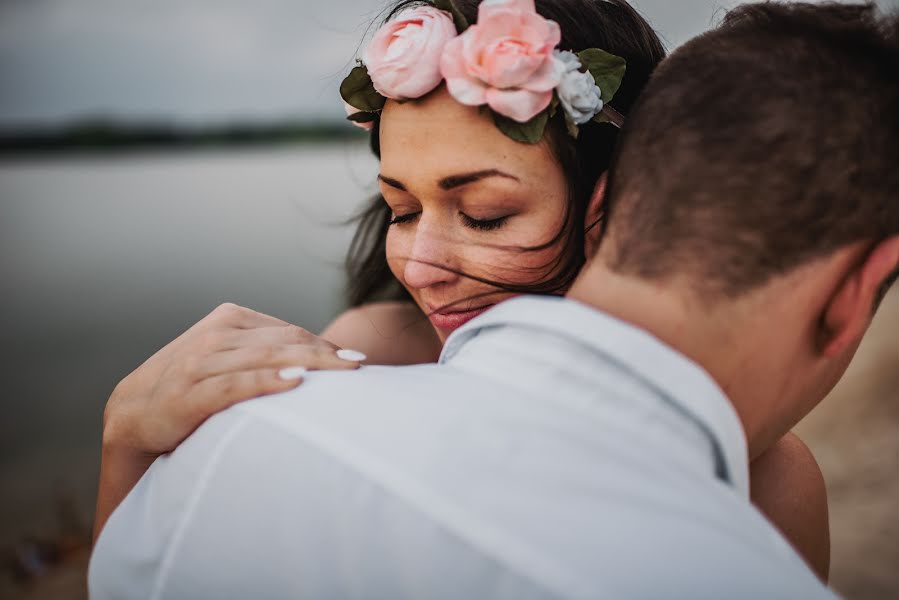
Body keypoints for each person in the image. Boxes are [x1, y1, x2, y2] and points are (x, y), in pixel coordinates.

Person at [89, 1, 899, 597]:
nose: (421, 262)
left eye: (483, 214)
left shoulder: (770, 483)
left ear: (613, 203)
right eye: (399, 209)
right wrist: (130, 439)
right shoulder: (366, 353)